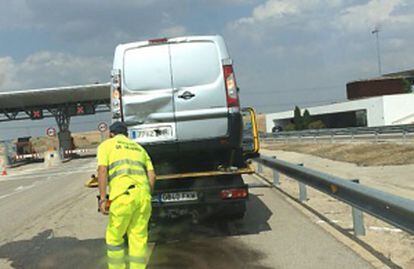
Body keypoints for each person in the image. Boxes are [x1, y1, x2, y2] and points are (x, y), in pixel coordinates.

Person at [97, 121, 156, 269]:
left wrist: (103, 199)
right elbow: (152, 176)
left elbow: (102, 171)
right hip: (143, 197)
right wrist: (147, 194)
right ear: (126, 134)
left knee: (115, 238)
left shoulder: (107, 145)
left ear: (111, 134)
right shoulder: (139, 148)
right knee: (138, 238)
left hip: (123, 197)